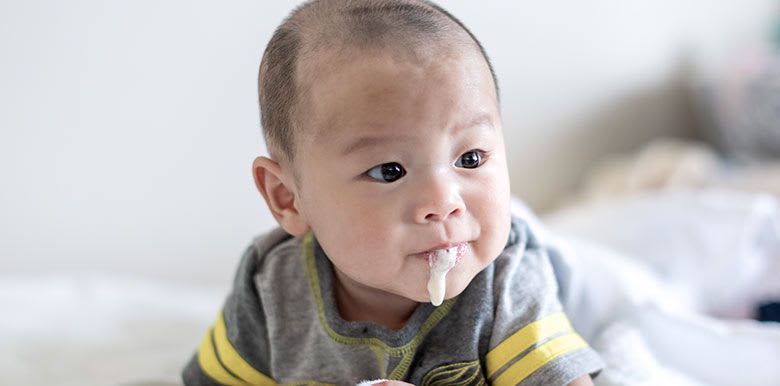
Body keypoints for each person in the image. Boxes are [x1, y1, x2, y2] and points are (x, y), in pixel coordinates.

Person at [182, 0, 604, 385]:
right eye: (390, 171)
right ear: (288, 197)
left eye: (471, 159)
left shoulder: (506, 280)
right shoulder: (271, 285)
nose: (443, 203)